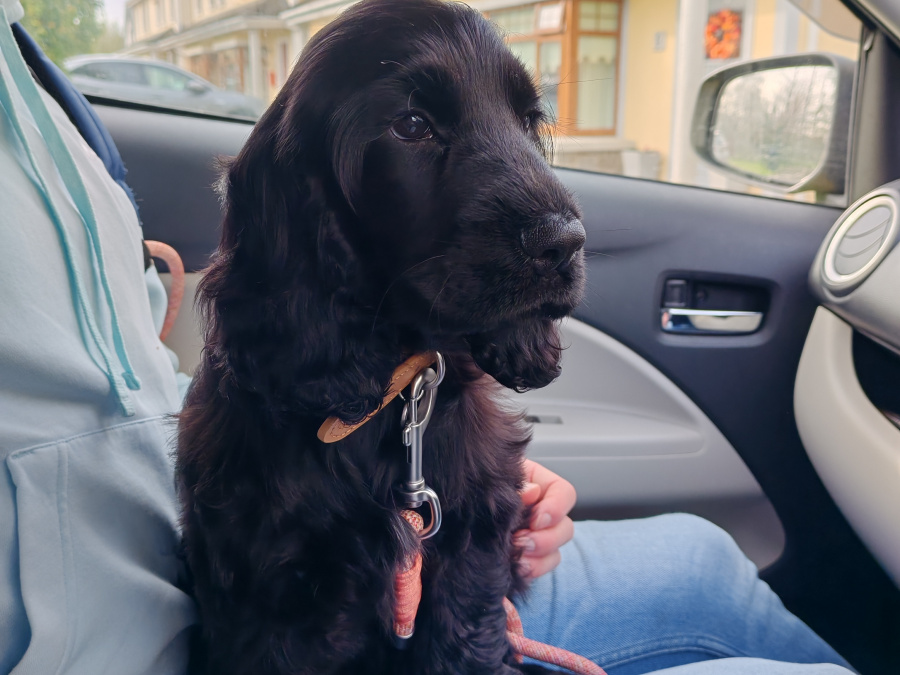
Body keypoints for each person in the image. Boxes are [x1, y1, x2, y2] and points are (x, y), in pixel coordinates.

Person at [0, 2, 855, 673]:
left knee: (705, 555)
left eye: (524, 122)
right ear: (314, 196)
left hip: (431, 607)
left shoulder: (26, 77)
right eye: (415, 127)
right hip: (191, 623)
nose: (556, 221)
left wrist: (465, 489)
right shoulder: (259, 444)